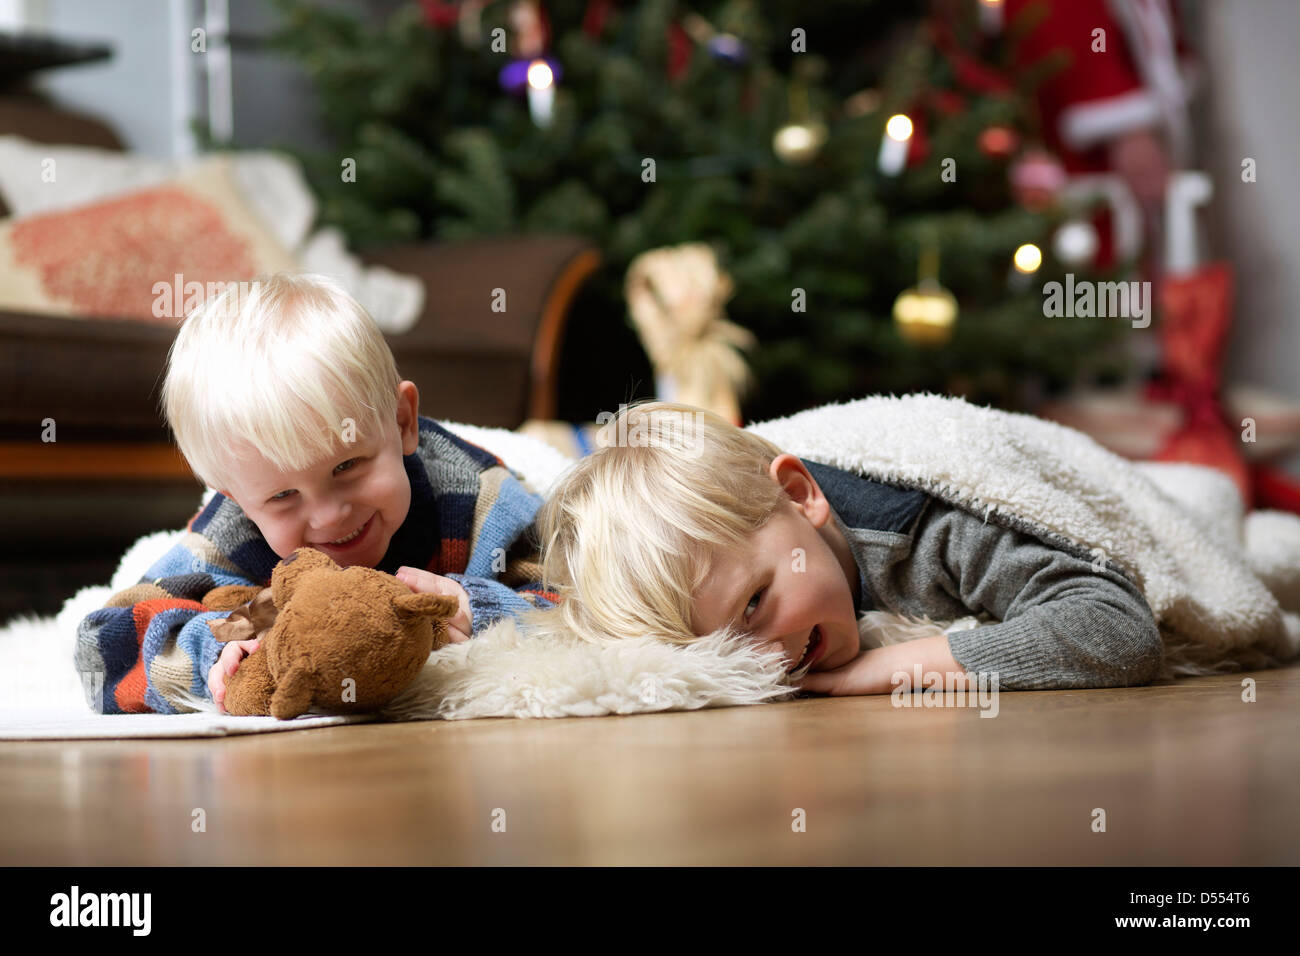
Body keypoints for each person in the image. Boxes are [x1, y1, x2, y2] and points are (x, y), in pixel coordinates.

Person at [75, 272, 555, 715]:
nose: (329, 516)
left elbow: (583, 600)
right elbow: (103, 647)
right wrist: (215, 650)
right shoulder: (232, 529)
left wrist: (483, 611)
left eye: (347, 466)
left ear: (402, 421)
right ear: (237, 500)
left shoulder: (476, 499)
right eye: (283, 496)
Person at [532, 400, 1163, 696]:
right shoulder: (764, 534)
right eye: (718, 649)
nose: (763, 661)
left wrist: (883, 670)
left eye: (754, 604)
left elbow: (1116, 629)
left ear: (800, 493)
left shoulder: (932, 532)